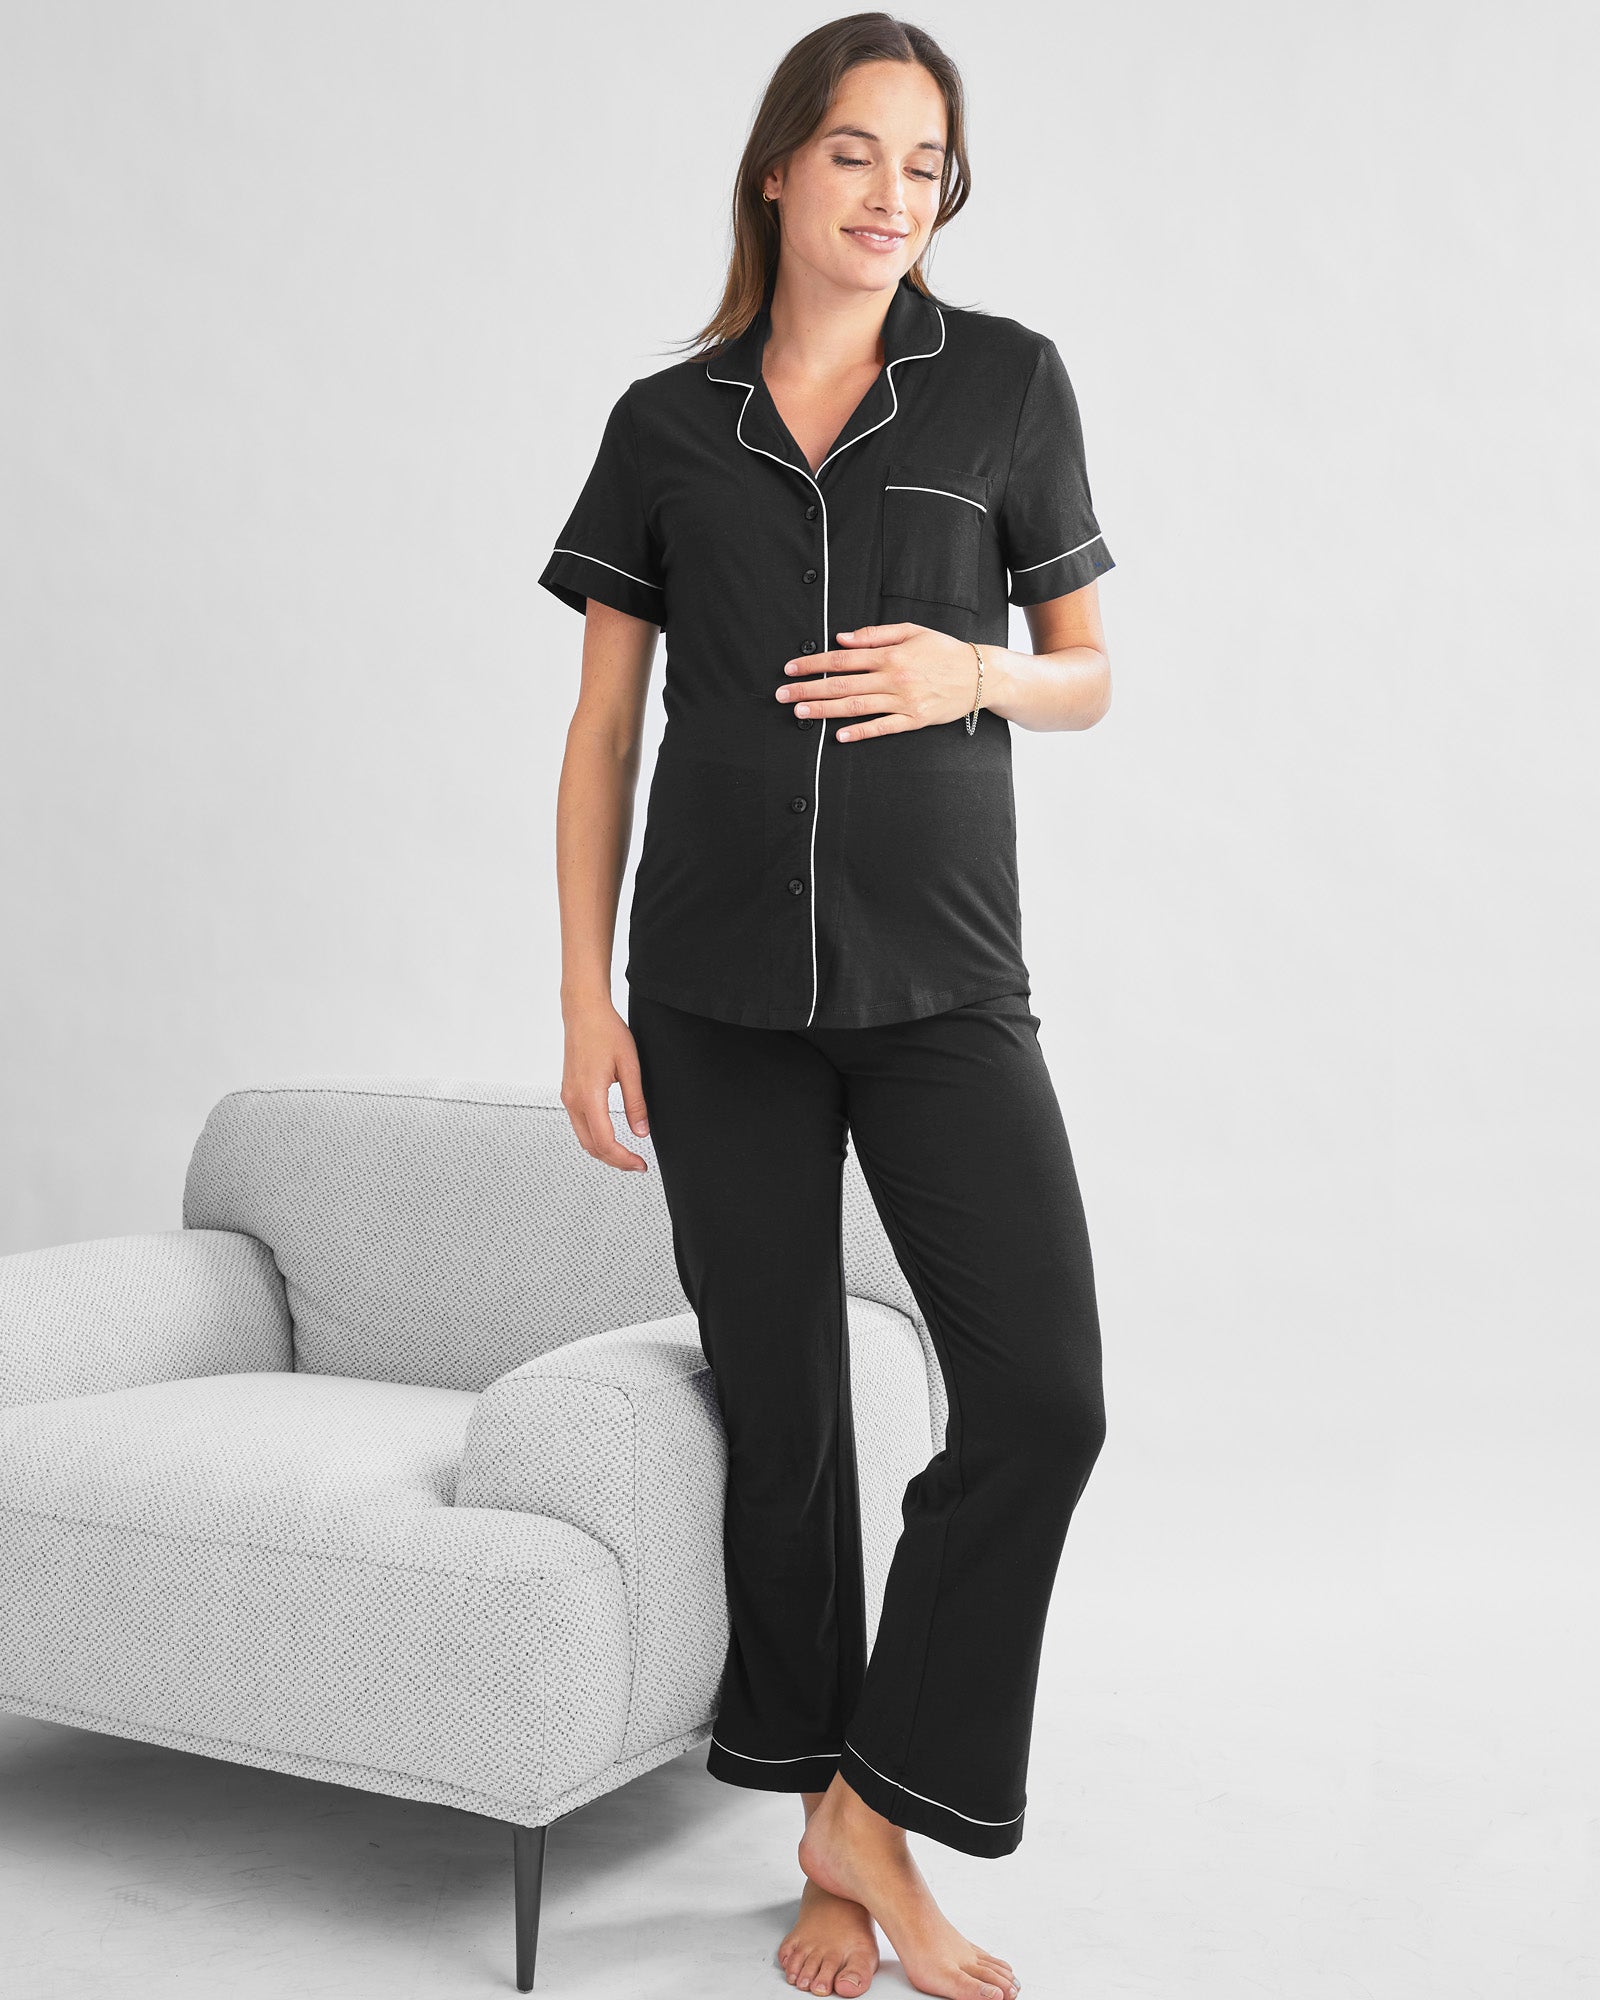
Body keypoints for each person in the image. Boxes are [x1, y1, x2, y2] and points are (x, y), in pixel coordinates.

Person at [540, 17, 1113, 2000]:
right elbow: (602, 729)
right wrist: (582, 999)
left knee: (1039, 1399)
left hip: (945, 979)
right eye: (856, 152)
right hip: (707, 995)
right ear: (778, 167)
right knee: (783, 1427)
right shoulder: (663, 423)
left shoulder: (1007, 383)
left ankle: (880, 1798)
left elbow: (1088, 670)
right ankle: (823, 1832)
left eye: (925, 162)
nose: (892, 194)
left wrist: (976, 671)